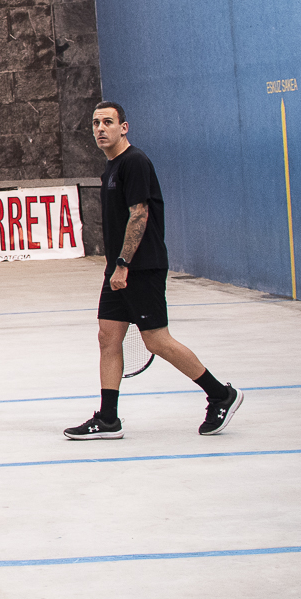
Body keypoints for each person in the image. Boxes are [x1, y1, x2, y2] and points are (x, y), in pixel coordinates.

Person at [65, 102, 243, 439]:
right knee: (107, 337)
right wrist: (115, 268)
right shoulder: (112, 167)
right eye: (96, 123)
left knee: (157, 341)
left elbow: (140, 214)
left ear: (124, 127)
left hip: (140, 268)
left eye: (108, 122)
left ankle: (221, 394)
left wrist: (123, 265)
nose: (100, 129)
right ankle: (108, 419)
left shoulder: (134, 162)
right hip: (118, 270)